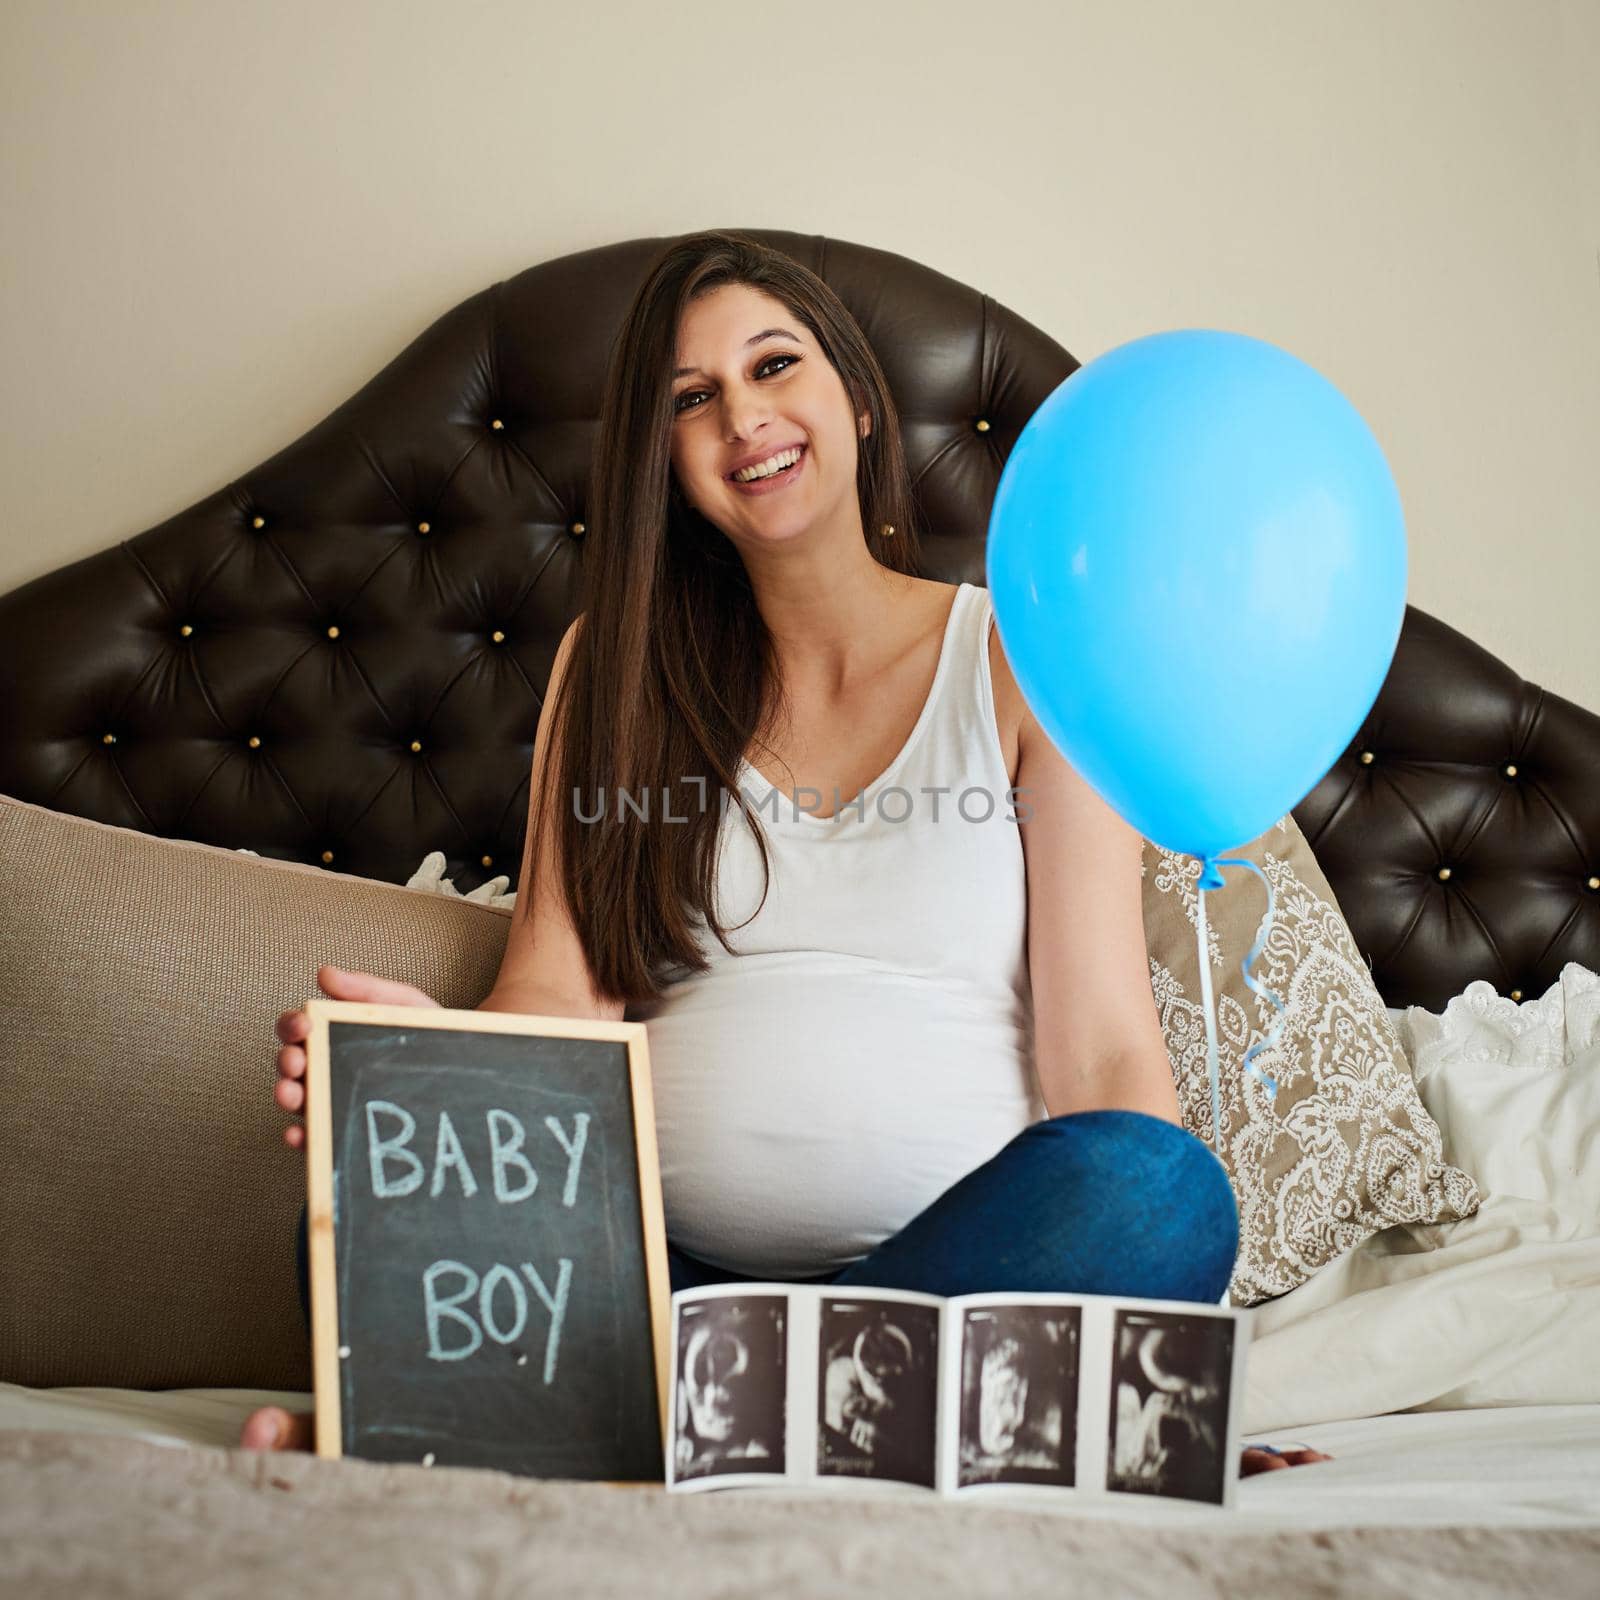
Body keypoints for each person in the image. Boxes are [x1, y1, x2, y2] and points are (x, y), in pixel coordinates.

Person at [241, 229, 1328, 1477]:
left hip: (957, 1278)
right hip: (668, 1276)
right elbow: (561, 993)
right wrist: (427, 1067)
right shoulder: (616, 668)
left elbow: (1100, 1045)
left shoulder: (1019, 659)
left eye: (773, 366)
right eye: (691, 400)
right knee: (360, 1228)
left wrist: (1154, 1354)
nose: (742, 418)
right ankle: (896, 1422)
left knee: (1158, 1193)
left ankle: (611, 1423)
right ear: (665, 458)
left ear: (857, 401)